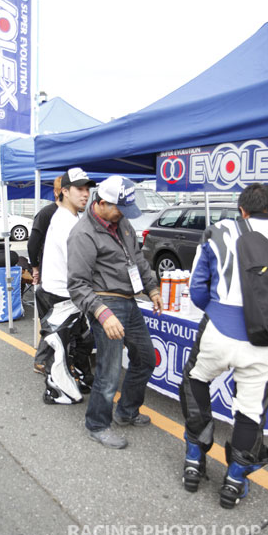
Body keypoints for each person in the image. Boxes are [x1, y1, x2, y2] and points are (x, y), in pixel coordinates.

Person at [179, 183, 268, 508]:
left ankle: (194, 458)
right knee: (250, 410)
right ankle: (234, 480)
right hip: (266, 338)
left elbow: (197, 287)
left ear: (241, 210)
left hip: (218, 328)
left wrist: (217, 311)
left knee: (195, 380)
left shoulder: (218, 232)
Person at [67, 175, 163, 449]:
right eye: (119, 208)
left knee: (145, 358)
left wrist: (152, 288)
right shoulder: (83, 233)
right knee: (109, 372)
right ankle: (97, 425)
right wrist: (102, 313)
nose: (123, 214)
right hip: (105, 303)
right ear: (102, 203)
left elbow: (138, 259)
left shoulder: (122, 223)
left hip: (129, 301)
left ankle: (126, 411)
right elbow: (77, 285)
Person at [37, 167, 96, 405]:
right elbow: (77, 262)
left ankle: (80, 376)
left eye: (87, 189)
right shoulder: (64, 220)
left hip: (69, 292)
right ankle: (54, 390)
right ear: (65, 191)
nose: (85, 194)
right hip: (59, 293)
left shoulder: (73, 217)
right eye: (79, 189)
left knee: (83, 340)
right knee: (60, 347)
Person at [27, 175, 62, 375]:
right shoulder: (47, 213)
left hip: (66, 275)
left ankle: (48, 359)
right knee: (53, 318)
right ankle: (42, 360)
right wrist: (35, 267)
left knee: (58, 319)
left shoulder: (74, 215)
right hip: (50, 274)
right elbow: (32, 243)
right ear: (58, 192)